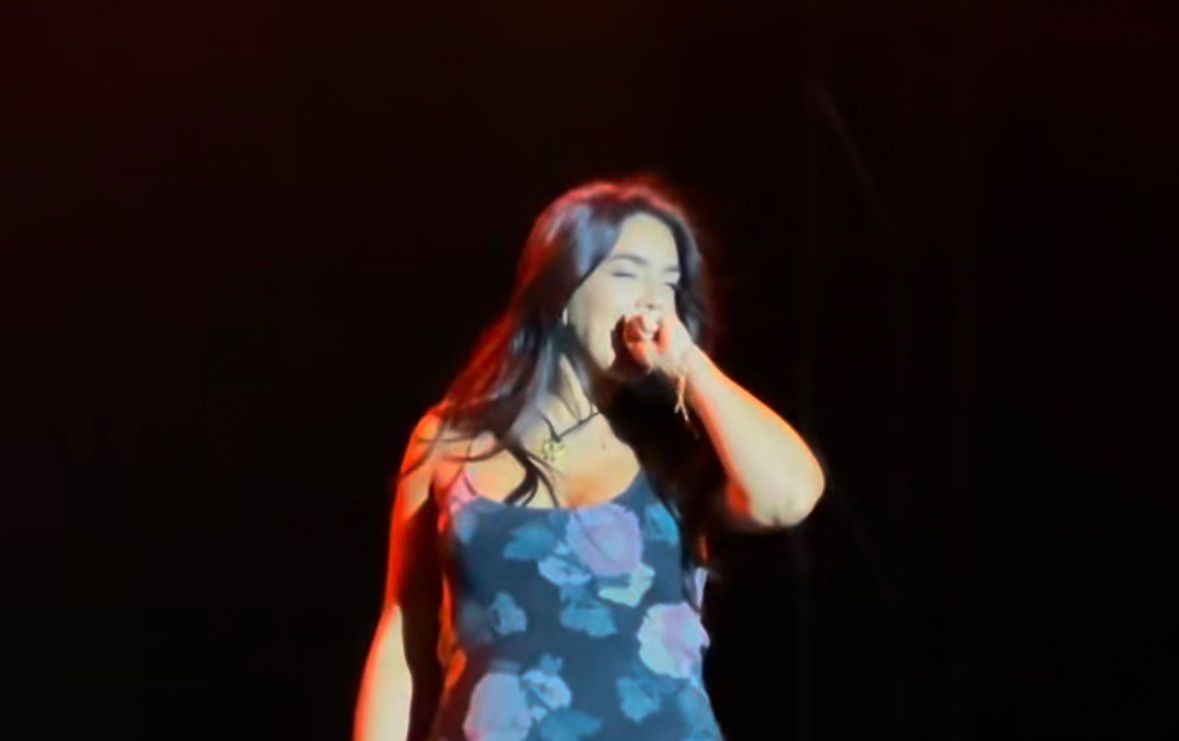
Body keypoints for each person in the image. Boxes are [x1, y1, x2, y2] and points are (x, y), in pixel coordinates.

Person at [354, 175, 826, 740]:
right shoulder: (451, 441)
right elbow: (403, 636)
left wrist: (689, 366)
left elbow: (788, 498)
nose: (652, 299)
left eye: (669, 283)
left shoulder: (678, 446)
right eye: (627, 273)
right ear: (561, 288)